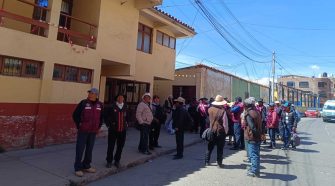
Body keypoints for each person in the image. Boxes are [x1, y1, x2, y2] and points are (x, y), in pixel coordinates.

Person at [72, 88, 104, 177]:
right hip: (83, 131)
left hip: (93, 131)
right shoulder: (83, 103)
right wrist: (80, 125)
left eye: (92, 93)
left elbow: (101, 118)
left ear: (96, 95)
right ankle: (77, 168)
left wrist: (98, 127)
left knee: (89, 149)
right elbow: (75, 115)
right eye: (89, 92)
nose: (90, 94)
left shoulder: (100, 105)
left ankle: (86, 165)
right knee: (80, 149)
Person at [104, 95, 128, 168]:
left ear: (123, 99)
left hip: (123, 130)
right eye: (119, 97)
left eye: (122, 97)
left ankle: (117, 160)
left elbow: (128, 116)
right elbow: (105, 116)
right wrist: (109, 124)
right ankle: (109, 161)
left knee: (120, 146)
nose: (120, 99)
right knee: (111, 146)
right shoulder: (111, 106)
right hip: (113, 130)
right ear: (116, 98)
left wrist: (126, 124)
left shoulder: (125, 106)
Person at [205, 95, 228, 168]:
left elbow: (208, 120)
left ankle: (206, 161)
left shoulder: (210, 109)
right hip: (220, 131)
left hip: (212, 130)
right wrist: (226, 132)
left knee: (210, 147)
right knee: (220, 148)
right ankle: (219, 163)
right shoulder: (223, 111)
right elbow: (225, 124)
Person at [243, 97, 262, 177]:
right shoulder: (256, 112)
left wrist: (255, 134)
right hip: (258, 136)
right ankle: (255, 168)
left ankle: (255, 171)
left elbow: (252, 127)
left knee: (253, 154)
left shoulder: (248, 114)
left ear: (247, 105)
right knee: (256, 154)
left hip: (252, 136)